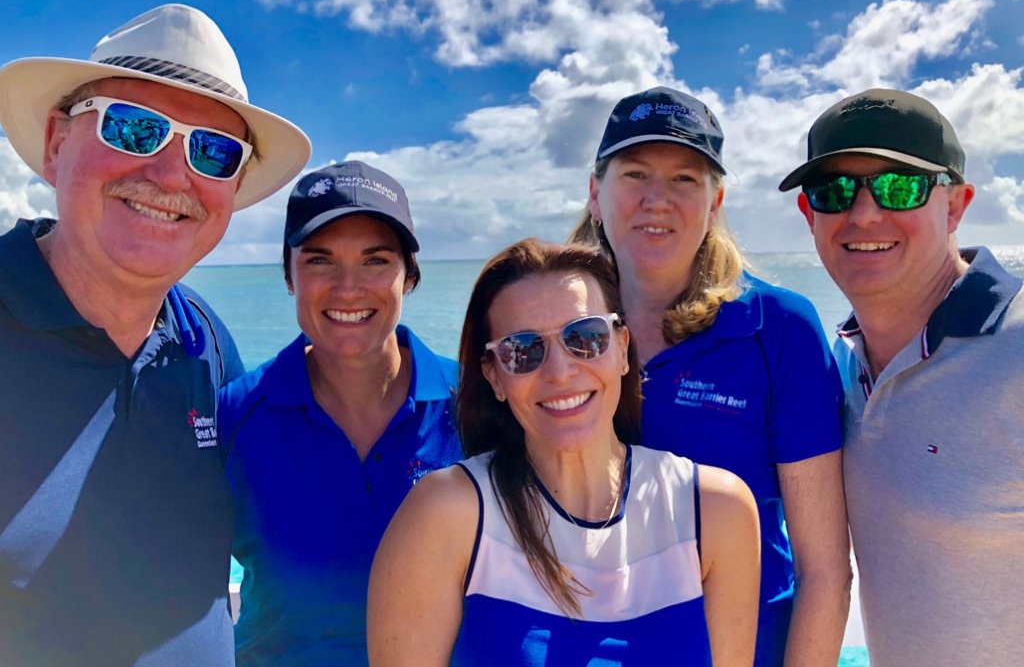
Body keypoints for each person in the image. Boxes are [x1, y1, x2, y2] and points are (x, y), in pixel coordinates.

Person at [0, 4, 310, 666]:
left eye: (214, 149)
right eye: (134, 128)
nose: (172, 175)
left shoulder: (205, 344)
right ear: (57, 143)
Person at [368, 238, 760, 667]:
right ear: (494, 377)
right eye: (523, 351)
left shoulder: (717, 510)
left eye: (586, 337)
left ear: (623, 348)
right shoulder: (445, 515)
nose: (560, 372)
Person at [571, 86, 851, 667]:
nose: (657, 200)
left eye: (685, 180)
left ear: (715, 199)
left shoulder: (777, 327)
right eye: (635, 175)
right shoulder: (554, 329)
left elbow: (824, 570)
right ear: (596, 194)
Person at [780, 88, 1024, 667]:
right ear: (809, 214)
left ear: (956, 205)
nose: (864, 213)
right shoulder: (835, 365)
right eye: (835, 191)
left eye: (900, 185)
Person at [218, 161, 462, 666]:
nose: (348, 288)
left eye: (375, 261)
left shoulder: (478, 405)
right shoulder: (236, 417)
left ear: (408, 277)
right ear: (288, 275)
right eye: (320, 261)